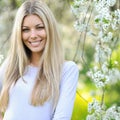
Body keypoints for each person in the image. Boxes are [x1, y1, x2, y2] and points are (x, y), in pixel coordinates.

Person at [0, 0, 79, 120]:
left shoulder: (67, 70)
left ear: (50, 29)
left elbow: (62, 117)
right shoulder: (10, 65)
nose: (33, 35)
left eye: (40, 27)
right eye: (25, 29)